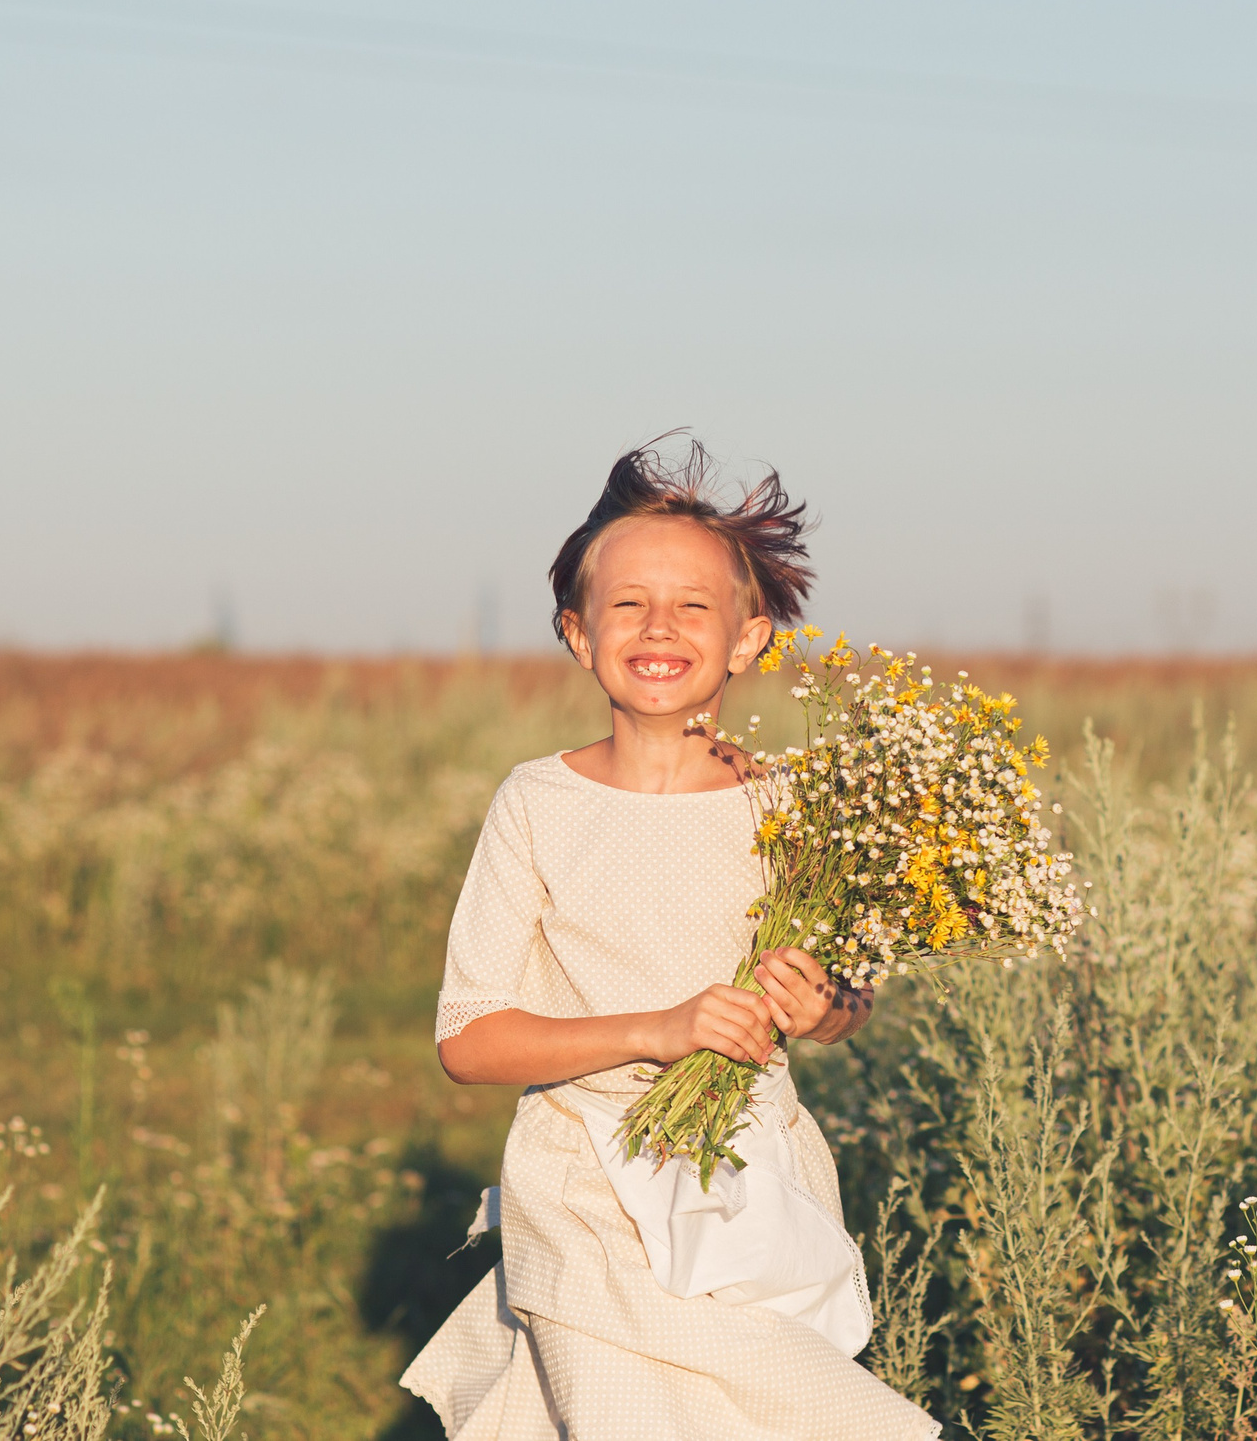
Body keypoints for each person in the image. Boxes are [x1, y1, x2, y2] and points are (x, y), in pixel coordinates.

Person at [399, 440, 939, 1440]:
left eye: (693, 605)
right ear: (577, 631)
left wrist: (825, 1008)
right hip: (582, 1189)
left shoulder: (798, 807)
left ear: (746, 639)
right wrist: (659, 1028)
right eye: (628, 603)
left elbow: (848, 1004)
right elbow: (469, 1041)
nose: (659, 626)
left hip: (751, 1181)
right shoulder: (537, 803)